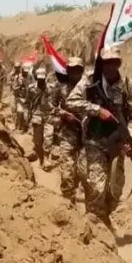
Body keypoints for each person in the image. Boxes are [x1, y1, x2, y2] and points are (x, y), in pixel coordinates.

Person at [64, 46, 132, 231]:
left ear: (119, 64)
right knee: (97, 187)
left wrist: (130, 137)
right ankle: (96, 227)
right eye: (107, 63)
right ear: (101, 64)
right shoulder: (89, 80)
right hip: (95, 141)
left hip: (117, 144)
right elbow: (71, 102)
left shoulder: (126, 85)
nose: (110, 67)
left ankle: (104, 216)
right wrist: (96, 110)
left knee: (115, 190)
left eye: (114, 63)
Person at [51, 58, 86, 202]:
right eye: (72, 69)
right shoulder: (61, 86)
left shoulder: (89, 86)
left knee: (85, 168)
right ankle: (67, 199)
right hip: (67, 131)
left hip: (87, 132)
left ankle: (87, 198)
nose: (75, 73)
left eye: (78, 69)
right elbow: (50, 106)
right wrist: (63, 114)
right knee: (67, 167)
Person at [28, 67, 52, 166]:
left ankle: (46, 158)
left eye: (43, 78)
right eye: (39, 78)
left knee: (48, 138)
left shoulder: (50, 88)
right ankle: (40, 158)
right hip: (36, 115)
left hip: (48, 115)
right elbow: (28, 101)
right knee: (38, 141)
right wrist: (29, 115)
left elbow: (55, 100)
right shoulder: (31, 88)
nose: (41, 80)